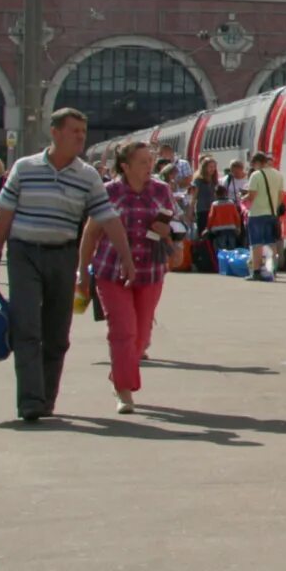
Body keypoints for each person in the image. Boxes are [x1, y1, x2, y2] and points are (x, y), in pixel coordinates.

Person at [0, 108, 124, 423]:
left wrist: (126, 257)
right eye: (74, 131)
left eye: (83, 132)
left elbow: (107, 218)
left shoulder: (87, 175)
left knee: (57, 334)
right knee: (28, 328)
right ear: (55, 132)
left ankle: (46, 398)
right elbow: (3, 216)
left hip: (63, 255)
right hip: (24, 254)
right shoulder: (24, 167)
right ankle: (30, 401)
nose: (80, 137)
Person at [88, 140, 174, 414]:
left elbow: (177, 227)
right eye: (143, 162)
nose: (150, 166)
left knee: (140, 334)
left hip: (150, 271)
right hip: (112, 270)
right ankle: (124, 392)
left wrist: (168, 232)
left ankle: (119, 373)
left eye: (151, 161)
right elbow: (91, 232)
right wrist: (80, 270)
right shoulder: (108, 192)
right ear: (125, 166)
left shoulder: (161, 191)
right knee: (123, 330)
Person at [244, 151, 286, 280]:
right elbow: (280, 196)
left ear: (257, 163)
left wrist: (242, 197)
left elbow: (251, 196)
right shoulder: (278, 175)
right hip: (272, 214)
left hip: (257, 214)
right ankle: (271, 270)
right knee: (270, 243)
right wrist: (273, 206)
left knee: (256, 243)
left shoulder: (256, 175)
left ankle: (256, 271)